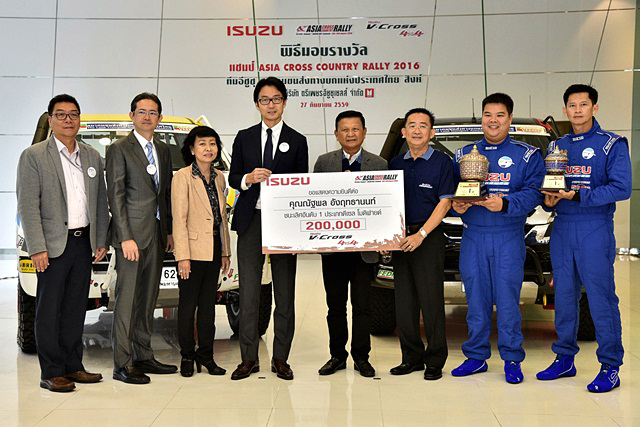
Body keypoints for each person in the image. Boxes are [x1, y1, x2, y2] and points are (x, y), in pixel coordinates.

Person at [537, 84, 631, 392]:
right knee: (564, 297)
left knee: (601, 298)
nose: (577, 110)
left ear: (594, 108)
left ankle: (610, 365)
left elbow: (622, 188)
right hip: (563, 227)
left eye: (583, 104)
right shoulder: (557, 146)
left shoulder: (611, 144)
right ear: (564, 110)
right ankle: (565, 358)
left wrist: (579, 195)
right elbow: (550, 186)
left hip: (594, 227)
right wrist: (548, 200)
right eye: (572, 105)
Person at [16, 94, 109, 392]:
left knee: (74, 308)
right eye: (61, 114)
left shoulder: (92, 156)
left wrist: (101, 239)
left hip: (83, 243)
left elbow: (100, 201)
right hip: (53, 245)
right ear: (50, 119)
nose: (68, 120)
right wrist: (37, 247)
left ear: (79, 119)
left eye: (73, 114)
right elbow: (28, 205)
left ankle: (73, 365)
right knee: (49, 309)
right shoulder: (34, 156)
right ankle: (51, 371)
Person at [450, 93, 545, 384]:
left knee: (507, 301)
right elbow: (451, 191)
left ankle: (512, 358)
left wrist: (505, 204)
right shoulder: (463, 155)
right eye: (488, 115)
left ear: (510, 119)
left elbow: (534, 193)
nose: (493, 120)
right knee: (476, 300)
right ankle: (476, 356)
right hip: (473, 237)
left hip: (507, 237)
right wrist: (457, 206)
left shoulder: (527, 155)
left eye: (500, 115)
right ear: (482, 119)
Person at [228, 76, 308, 380]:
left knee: (284, 293)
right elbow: (234, 177)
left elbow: (302, 184)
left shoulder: (297, 140)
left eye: (276, 99)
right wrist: (248, 178)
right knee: (249, 292)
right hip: (252, 220)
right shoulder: (244, 137)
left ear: (284, 103)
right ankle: (249, 358)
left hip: (284, 224)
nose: (270, 105)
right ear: (257, 105)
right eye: (265, 100)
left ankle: (281, 358)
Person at [106, 92, 177, 384]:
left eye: (153, 112)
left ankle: (143, 355)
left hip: (157, 235)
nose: (147, 117)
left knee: (148, 300)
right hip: (132, 238)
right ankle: (122, 363)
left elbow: (165, 194)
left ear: (160, 118)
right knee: (126, 302)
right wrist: (125, 237)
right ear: (132, 115)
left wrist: (168, 231)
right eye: (142, 112)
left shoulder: (163, 150)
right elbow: (116, 195)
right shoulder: (119, 149)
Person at [313, 110, 387, 378]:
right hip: (333, 250)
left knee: (363, 306)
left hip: (364, 252)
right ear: (336, 134)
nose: (350, 134)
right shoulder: (324, 163)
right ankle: (337, 356)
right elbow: (314, 202)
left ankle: (361, 357)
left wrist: (385, 237)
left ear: (364, 132)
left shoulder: (379, 164)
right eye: (345, 129)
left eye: (355, 129)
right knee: (335, 307)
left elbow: (385, 205)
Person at [388, 108, 455, 381]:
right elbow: (385, 203)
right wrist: (386, 237)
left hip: (428, 238)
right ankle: (411, 358)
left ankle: (435, 360)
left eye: (423, 125)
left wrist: (422, 234)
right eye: (412, 125)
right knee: (404, 303)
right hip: (400, 239)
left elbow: (445, 202)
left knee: (431, 301)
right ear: (404, 132)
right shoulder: (394, 163)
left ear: (432, 132)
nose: (417, 130)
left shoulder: (442, 162)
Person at [172, 126, 231, 377]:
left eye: (213, 143)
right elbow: (179, 219)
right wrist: (182, 256)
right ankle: (187, 356)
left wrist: (225, 251)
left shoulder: (219, 177)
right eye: (202, 144)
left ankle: (206, 356)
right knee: (188, 307)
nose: (209, 148)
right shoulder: (183, 176)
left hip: (214, 249)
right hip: (192, 251)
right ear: (192, 149)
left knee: (208, 307)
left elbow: (221, 218)